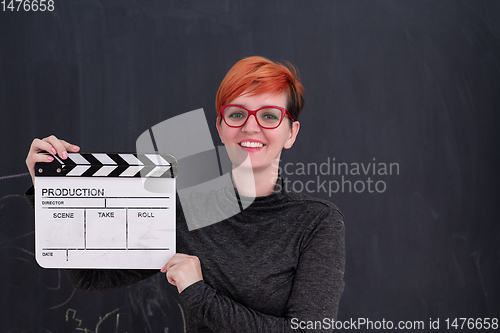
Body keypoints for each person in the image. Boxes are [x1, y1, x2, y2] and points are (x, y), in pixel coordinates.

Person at [25, 56, 345, 332]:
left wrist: (197, 293)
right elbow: (89, 277)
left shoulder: (316, 222)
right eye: (237, 114)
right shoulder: (184, 210)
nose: (251, 127)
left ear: (291, 133)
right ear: (220, 127)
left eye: (269, 116)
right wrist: (52, 189)